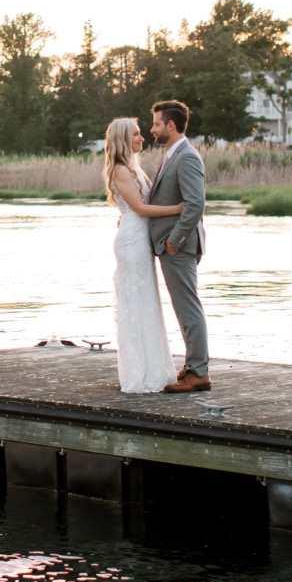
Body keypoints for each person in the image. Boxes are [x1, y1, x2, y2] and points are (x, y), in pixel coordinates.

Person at [103, 116, 182, 393]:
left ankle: (155, 369)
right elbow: (139, 208)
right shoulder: (121, 170)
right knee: (136, 304)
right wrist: (177, 209)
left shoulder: (133, 168)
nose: (141, 138)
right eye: (136, 134)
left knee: (147, 301)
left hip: (139, 239)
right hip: (132, 244)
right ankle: (139, 374)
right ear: (124, 139)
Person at [147, 99, 211, 392]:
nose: (152, 129)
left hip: (179, 245)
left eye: (157, 124)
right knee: (184, 307)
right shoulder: (174, 154)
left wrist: (174, 241)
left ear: (170, 125)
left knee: (188, 308)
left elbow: (195, 204)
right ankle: (193, 366)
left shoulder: (186, 156)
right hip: (171, 244)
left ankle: (198, 373)